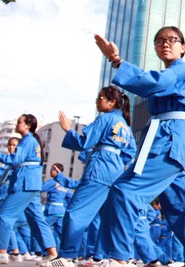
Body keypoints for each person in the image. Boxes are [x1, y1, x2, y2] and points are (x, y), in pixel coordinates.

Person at [92, 27, 185, 267]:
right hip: (170, 140)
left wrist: (117, 61)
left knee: (124, 190)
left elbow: (152, 82)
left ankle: (119, 259)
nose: (166, 44)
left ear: (183, 47)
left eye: (172, 40)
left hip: (169, 141)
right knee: (179, 207)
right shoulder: (175, 73)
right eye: (160, 41)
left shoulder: (178, 70)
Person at [45, 86, 136, 267]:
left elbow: (83, 142)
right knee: (107, 217)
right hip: (116, 171)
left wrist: (68, 129)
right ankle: (104, 257)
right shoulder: (125, 126)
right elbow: (131, 152)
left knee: (76, 212)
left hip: (100, 168)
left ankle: (67, 256)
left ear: (112, 102)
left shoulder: (105, 118)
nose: (97, 100)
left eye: (101, 97)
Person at [0, 114, 58, 264]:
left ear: (28, 125)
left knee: (3, 215)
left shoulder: (27, 141)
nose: (17, 124)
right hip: (32, 184)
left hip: (25, 183)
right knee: (37, 219)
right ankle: (52, 253)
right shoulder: (32, 141)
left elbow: (14, 160)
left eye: (20, 122)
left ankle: (2, 252)